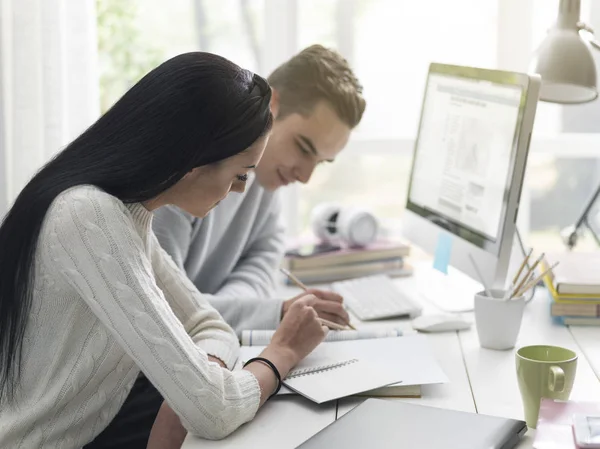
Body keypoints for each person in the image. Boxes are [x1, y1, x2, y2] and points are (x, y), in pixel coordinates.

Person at [0, 52, 328, 449]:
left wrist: (203, 374)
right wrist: (282, 354)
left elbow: (210, 326)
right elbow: (215, 410)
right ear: (194, 158)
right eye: (240, 175)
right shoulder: (90, 215)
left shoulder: (129, 215)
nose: (241, 190)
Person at [153, 45, 366, 334]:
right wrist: (274, 312)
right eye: (303, 148)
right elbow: (162, 308)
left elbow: (262, 264)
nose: (305, 176)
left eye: (321, 162)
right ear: (272, 104)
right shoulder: (187, 172)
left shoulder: (266, 179)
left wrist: (226, 313)